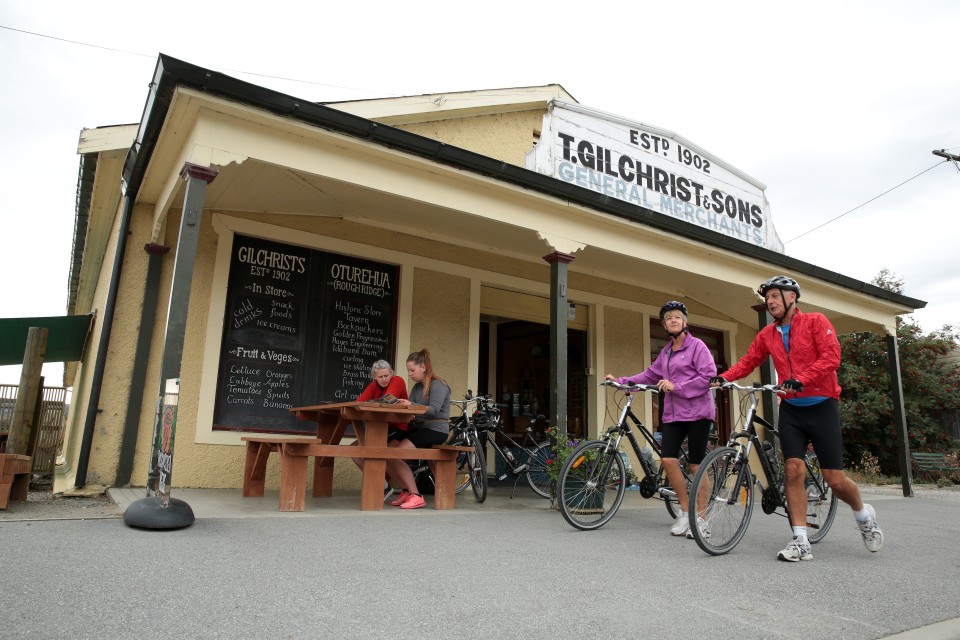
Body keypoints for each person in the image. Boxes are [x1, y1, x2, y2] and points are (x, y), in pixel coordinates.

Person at [712, 275, 883, 562]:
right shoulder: (768, 334)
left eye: (776, 296)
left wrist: (801, 379)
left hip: (822, 405)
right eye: (768, 297)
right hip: (791, 409)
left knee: (835, 479)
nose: (770, 301)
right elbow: (748, 361)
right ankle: (800, 540)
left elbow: (831, 357)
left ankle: (864, 516)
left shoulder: (816, 321)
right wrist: (723, 377)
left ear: (792, 297)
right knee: (793, 469)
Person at [605, 300, 717, 538]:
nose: (673, 320)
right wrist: (622, 382)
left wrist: (677, 386)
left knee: (697, 464)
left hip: (697, 412)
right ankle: (686, 513)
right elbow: (649, 375)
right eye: (668, 318)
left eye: (677, 317)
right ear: (664, 325)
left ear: (685, 322)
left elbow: (708, 376)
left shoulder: (698, 347)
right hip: (673, 414)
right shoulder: (665, 353)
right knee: (667, 460)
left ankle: (702, 518)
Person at [387, 349, 452, 510]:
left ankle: (416, 496)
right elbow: (412, 410)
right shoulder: (417, 387)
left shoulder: (438, 384)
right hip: (421, 428)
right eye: (408, 371)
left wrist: (411, 405)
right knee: (387, 450)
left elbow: (434, 410)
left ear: (423, 367)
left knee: (396, 454)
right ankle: (406, 492)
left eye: (412, 370)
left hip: (436, 430)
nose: (410, 374)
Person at [351, 360, 409, 497]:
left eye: (386, 376)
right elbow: (359, 403)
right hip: (380, 429)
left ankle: (404, 490)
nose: (384, 379)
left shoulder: (397, 380)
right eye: (380, 377)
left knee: (376, 451)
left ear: (391, 373)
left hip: (399, 428)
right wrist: (369, 402)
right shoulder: (373, 386)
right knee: (355, 452)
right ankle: (384, 486)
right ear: (374, 377)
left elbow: (387, 400)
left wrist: (370, 402)